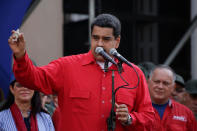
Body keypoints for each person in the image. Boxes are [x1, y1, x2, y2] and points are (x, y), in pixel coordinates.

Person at [8, 13, 154, 130]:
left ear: (117, 41)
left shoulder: (134, 73)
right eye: (95, 38)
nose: (100, 44)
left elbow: (149, 119)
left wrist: (130, 119)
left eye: (106, 39)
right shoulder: (66, 66)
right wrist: (21, 56)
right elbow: (31, 79)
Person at [148, 65, 197, 131]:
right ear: (148, 82)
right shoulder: (137, 110)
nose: (160, 86)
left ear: (173, 87)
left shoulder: (186, 113)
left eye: (166, 83)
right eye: (157, 82)